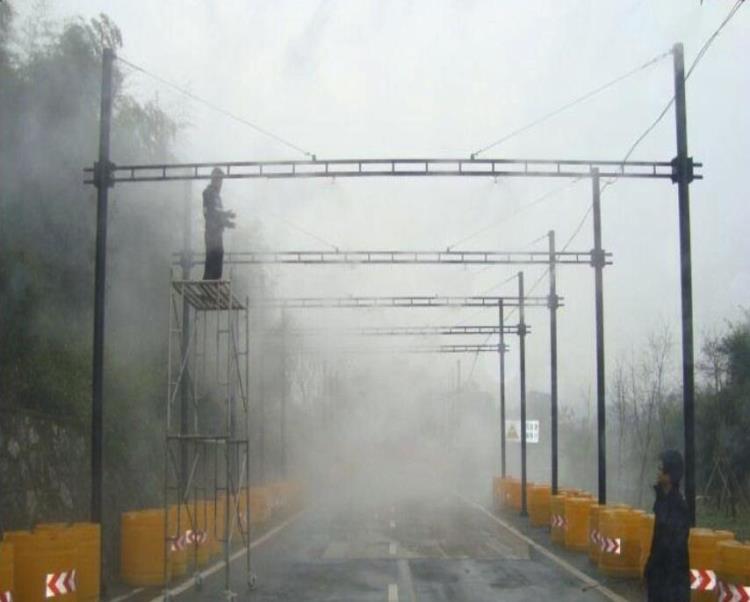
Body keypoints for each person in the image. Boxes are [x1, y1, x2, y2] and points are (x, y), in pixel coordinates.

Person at [644, 449, 690, 602]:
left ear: (670, 475)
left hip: (672, 586)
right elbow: (657, 541)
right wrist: (650, 567)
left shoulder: (678, 507)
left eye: (660, 468)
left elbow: (675, 549)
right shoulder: (661, 501)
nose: (657, 471)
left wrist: (656, 567)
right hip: (658, 580)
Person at [202, 167, 235, 280]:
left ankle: (215, 284)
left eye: (221, 181)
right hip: (211, 233)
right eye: (219, 180)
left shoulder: (217, 197)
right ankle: (208, 285)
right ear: (214, 180)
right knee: (212, 258)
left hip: (217, 233)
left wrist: (226, 222)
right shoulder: (208, 193)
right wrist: (226, 216)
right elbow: (211, 213)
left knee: (218, 257)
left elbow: (217, 215)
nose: (221, 184)